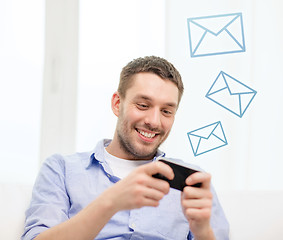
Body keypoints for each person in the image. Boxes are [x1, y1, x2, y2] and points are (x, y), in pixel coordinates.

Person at [22, 56, 229, 240]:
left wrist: (203, 233)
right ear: (116, 103)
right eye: (143, 105)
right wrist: (112, 201)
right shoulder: (61, 170)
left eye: (166, 111)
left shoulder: (194, 182)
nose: (154, 121)